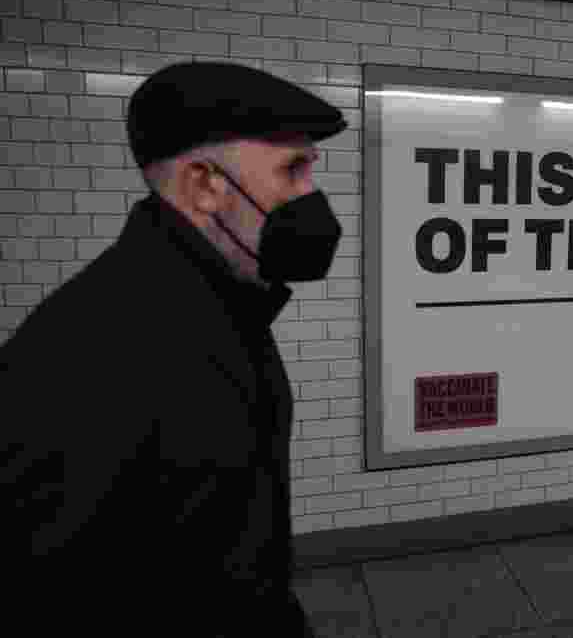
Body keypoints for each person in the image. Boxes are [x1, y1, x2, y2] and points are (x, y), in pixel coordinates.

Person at [1, 61, 346, 637]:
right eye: (293, 170)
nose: (311, 196)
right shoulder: (94, 357)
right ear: (204, 186)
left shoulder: (218, 305)